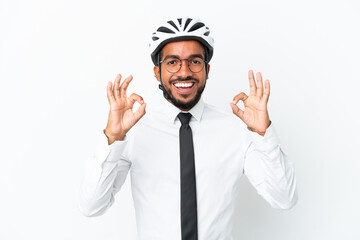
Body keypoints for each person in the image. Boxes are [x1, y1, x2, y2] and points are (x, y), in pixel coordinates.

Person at [79, 17, 297, 240]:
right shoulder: (134, 131)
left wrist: (263, 134)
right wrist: (113, 138)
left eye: (194, 61)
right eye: (172, 62)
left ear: (207, 69)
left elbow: (284, 198)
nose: (184, 73)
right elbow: (92, 206)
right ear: (157, 72)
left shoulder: (236, 129)